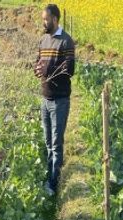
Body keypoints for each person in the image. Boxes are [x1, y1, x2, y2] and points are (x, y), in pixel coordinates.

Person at [34, 3, 75, 195]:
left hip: (60, 100)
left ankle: (54, 183)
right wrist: (36, 69)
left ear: (55, 19)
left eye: (46, 19)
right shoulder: (43, 40)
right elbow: (38, 62)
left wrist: (48, 70)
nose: (43, 22)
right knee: (48, 142)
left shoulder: (66, 42)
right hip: (45, 98)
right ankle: (50, 176)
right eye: (43, 19)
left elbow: (69, 69)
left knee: (56, 144)